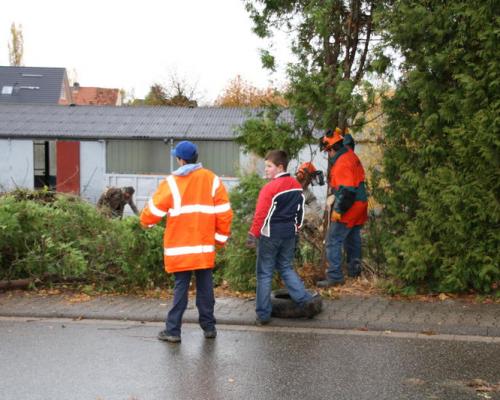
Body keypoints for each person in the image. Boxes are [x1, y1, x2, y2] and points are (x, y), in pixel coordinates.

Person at [140, 141, 233, 343]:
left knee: (181, 288)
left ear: (180, 159)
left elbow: (153, 212)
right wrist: (219, 240)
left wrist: (145, 222)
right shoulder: (212, 180)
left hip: (179, 248)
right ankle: (209, 328)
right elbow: (224, 213)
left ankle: (173, 331)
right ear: (196, 157)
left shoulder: (171, 182)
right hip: (203, 247)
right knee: (206, 288)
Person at [246, 150, 318, 325]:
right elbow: (300, 211)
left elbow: (261, 214)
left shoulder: (269, 188)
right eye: (266, 166)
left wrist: (252, 235)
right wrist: (296, 228)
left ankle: (263, 315)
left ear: (280, 167)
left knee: (264, 273)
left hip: (270, 236)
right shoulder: (295, 185)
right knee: (285, 267)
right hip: (289, 235)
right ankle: (305, 301)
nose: (266, 170)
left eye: (269, 166)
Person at [316, 129, 368, 288]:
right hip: (360, 203)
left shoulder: (342, 163)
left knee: (333, 240)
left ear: (332, 149)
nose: (328, 155)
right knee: (352, 238)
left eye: (327, 152)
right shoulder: (350, 154)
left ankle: (335, 277)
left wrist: (338, 211)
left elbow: (347, 191)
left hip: (350, 205)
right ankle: (354, 272)